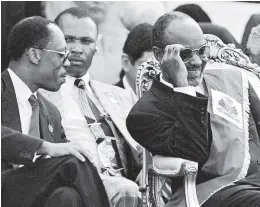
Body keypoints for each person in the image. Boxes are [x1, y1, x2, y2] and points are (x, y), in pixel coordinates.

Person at [126, 11, 260, 207]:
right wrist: (183, 88)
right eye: (185, 54)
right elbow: (193, 152)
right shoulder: (145, 113)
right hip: (213, 191)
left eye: (202, 51)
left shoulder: (231, 79)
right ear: (158, 54)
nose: (197, 61)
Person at [1, 16, 110, 207]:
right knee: (73, 162)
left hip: (31, 193)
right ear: (35, 55)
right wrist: (45, 147)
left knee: (68, 196)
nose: (67, 64)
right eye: (62, 55)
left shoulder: (51, 112)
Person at [40, 7, 141, 207]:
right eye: (69, 39)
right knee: (126, 190)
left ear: (96, 46)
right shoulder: (39, 94)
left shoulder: (120, 96)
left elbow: (140, 148)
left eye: (86, 41)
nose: (77, 49)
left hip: (125, 180)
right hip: (75, 182)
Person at [116, 23, 154, 99]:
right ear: (126, 63)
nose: (154, 74)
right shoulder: (105, 101)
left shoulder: (166, 102)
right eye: (148, 67)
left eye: (160, 67)